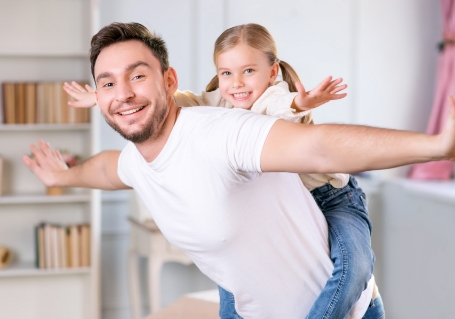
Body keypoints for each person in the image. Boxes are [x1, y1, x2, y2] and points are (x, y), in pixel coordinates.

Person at [23, 22, 455, 319]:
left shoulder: (222, 131)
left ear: (168, 81)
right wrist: (62, 177)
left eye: (137, 75)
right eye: (108, 83)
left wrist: (435, 147)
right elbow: (108, 169)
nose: (122, 93)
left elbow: (319, 147)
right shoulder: (139, 157)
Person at [63, 23, 376, 319]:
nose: (237, 83)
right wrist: (107, 96)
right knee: (232, 275)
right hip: (284, 210)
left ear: (272, 71)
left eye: (248, 71)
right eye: (226, 73)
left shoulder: (274, 96)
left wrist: (299, 103)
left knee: (356, 265)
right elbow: (166, 97)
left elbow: (282, 111)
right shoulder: (219, 101)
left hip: (333, 196)